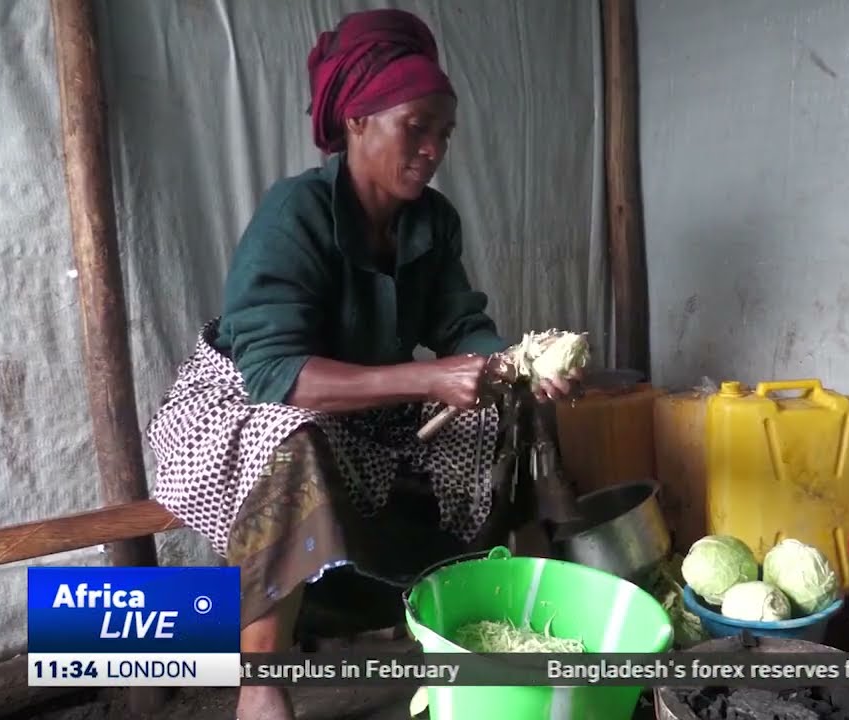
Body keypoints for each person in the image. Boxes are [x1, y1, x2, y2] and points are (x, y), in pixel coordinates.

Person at [145, 9, 579, 719]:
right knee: (294, 442)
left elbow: (460, 325)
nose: (434, 149)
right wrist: (429, 378)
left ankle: (479, 619)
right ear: (355, 121)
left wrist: (519, 365)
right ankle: (261, 683)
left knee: (503, 414)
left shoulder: (432, 222)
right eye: (416, 127)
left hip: (363, 401)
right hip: (243, 403)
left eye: (444, 134)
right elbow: (276, 375)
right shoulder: (297, 212)